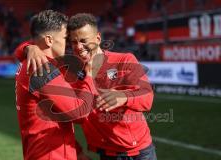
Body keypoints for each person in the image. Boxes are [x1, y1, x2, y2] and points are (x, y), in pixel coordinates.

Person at [16, 13, 156, 160]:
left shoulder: (124, 60)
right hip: (105, 153)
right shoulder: (70, 71)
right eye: (73, 42)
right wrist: (29, 48)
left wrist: (124, 96)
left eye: (84, 41)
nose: (79, 47)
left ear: (98, 38)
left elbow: (147, 95)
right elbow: (65, 118)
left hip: (139, 152)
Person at [15, 10, 97, 160]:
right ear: (49, 40)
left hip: (48, 151)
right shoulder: (42, 69)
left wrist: (77, 152)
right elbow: (80, 112)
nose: (68, 44)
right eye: (65, 38)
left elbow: (57, 120)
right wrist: (89, 75)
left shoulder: (34, 61)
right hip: (49, 154)